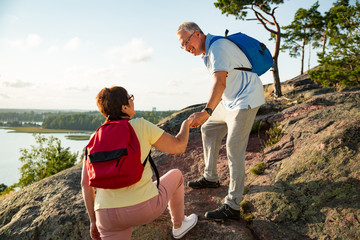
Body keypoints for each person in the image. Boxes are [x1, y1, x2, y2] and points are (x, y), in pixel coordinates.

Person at [81, 86, 198, 240]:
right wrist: (186, 125)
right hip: (143, 208)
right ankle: (179, 225)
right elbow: (179, 146)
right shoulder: (140, 125)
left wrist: (93, 221)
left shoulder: (94, 138)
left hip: (106, 215)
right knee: (177, 176)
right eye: (130, 98)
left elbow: (85, 184)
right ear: (124, 107)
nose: (132, 101)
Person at [176, 22, 265, 221]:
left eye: (186, 43)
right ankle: (211, 177)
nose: (186, 49)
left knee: (233, 147)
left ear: (197, 34)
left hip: (246, 99)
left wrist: (206, 111)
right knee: (209, 128)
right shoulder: (207, 53)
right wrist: (209, 115)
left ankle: (233, 205)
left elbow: (220, 82)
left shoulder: (217, 47)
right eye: (182, 46)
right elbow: (223, 84)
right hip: (231, 101)